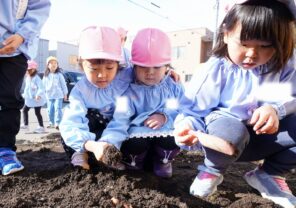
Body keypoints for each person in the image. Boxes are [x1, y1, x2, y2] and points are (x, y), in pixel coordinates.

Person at [173, 0, 296, 207]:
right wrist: (187, 128)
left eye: (265, 46)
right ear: (226, 34)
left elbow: (291, 97)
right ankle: (212, 170)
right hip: (224, 139)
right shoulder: (216, 69)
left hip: (265, 138)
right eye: (244, 44)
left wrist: (275, 109)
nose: (252, 54)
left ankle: (270, 174)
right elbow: (193, 110)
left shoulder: (284, 66)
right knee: (230, 128)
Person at [101, 28, 183, 178]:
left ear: (167, 67)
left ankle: (163, 161)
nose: (150, 72)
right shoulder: (127, 91)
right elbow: (120, 119)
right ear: (134, 66)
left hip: (163, 132)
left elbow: (177, 111)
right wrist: (109, 142)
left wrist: (164, 116)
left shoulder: (170, 88)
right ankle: (134, 163)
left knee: (172, 138)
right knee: (135, 142)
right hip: (138, 134)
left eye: (157, 67)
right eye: (143, 67)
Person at [59, 26, 133, 170]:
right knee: (67, 129)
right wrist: (92, 145)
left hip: (115, 133)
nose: (102, 75)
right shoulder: (80, 90)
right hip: (89, 137)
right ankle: (81, 153)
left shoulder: (124, 84)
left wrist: (107, 145)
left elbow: (122, 119)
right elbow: (71, 123)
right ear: (81, 65)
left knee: (132, 129)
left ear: (119, 65)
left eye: (109, 68)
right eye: (94, 69)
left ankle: (109, 155)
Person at [0, 0, 51, 175]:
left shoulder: (39, 76)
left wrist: (22, 35)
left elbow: (39, 7)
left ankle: (5, 150)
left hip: (14, 48)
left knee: (10, 99)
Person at [20, 60, 46, 133]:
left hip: (37, 99)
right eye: (26, 70)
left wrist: (38, 95)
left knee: (37, 112)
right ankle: (26, 124)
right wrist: (24, 95)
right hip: (30, 98)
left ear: (33, 69)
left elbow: (41, 88)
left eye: (28, 70)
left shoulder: (37, 78)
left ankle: (41, 127)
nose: (27, 72)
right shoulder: (28, 78)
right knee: (25, 110)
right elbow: (27, 88)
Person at [42, 56, 68, 130]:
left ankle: (58, 123)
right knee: (50, 110)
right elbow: (43, 86)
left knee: (58, 109)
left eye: (55, 63)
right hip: (49, 96)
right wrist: (41, 94)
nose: (53, 64)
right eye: (51, 63)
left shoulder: (59, 75)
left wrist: (65, 94)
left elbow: (63, 85)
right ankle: (51, 123)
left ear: (57, 65)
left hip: (58, 95)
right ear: (48, 65)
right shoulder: (46, 75)